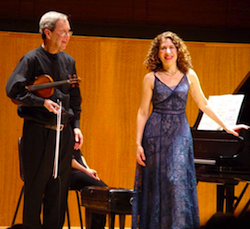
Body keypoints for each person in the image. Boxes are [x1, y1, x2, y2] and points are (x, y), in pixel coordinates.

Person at [131, 31, 249, 229]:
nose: (168, 51)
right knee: (158, 185)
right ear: (157, 53)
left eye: (171, 47)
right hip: (155, 135)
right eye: (163, 48)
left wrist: (227, 126)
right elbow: (142, 112)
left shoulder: (189, 75)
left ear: (178, 50)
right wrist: (137, 144)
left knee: (175, 182)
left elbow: (203, 104)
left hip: (179, 134)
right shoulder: (150, 78)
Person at [6, 11, 83, 229]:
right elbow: (13, 90)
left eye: (69, 32)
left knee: (58, 191)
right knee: (35, 190)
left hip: (63, 133)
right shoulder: (31, 59)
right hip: (38, 133)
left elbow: (75, 99)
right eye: (63, 32)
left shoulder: (69, 62)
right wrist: (42, 103)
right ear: (47, 33)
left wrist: (76, 127)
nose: (67, 36)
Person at [70, 149, 107, 229]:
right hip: (69, 172)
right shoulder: (65, 137)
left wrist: (88, 169)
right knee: (99, 190)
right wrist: (86, 171)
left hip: (80, 171)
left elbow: (79, 155)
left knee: (103, 190)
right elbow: (69, 160)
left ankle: (99, 226)